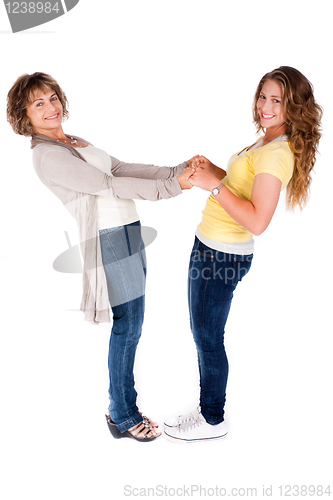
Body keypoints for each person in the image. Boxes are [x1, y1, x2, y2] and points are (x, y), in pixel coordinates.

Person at [7, 72, 197, 442]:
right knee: (128, 325)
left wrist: (179, 169)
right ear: (23, 114)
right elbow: (107, 184)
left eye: (52, 97)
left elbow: (121, 169)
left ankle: (120, 410)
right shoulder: (47, 155)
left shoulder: (74, 141)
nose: (51, 107)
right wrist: (174, 186)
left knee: (134, 323)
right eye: (38, 103)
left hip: (128, 230)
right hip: (108, 238)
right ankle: (122, 414)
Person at [164, 66, 323, 443]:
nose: (265, 106)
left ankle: (212, 418)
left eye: (276, 100)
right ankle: (208, 407)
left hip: (222, 256)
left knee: (208, 337)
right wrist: (213, 171)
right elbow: (241, 186)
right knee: (204, 333)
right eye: (263, 96)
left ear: (293, 107)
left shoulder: (276, 154)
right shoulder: (267, 141)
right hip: (211, 246)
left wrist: (212, 187)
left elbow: (257, 220)